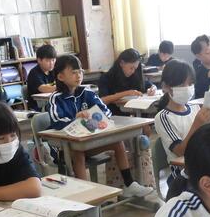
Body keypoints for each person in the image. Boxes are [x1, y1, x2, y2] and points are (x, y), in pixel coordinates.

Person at [48, 54, 153, 197]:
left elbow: (105, 111)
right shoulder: (56, 98)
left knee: (117, 142)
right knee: (78, 152)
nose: (78, 75)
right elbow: (57, 122)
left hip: (87, 142)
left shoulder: (86, 92)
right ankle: (86, 195)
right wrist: (75, 118)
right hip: (65, 149)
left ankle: (129, 184)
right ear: (60, 77)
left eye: (80, 71)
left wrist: (94, 116)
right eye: (73, 72)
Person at [152, 60, 210, 198]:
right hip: (183, 175)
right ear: (166, 87)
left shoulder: (195, 108)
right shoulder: (163, 117)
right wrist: (197, 124)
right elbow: (180, 151)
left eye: (190, 84)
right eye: (181, 85)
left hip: (204, 164)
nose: (187, 88)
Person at [97, 48, 156, 115]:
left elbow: (150, 85)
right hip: (114, 114)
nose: (133, 71)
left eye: (135, 69)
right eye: (131, 68)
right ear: (122, 63)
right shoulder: (106, 77)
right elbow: (102, 100)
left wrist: (153, 88)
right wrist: (127, 93)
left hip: (133, 113)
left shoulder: (134, 75)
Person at [26, 44, 57, 108]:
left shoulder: (54, 70)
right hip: (38, 106)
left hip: (51, 103)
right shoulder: (34, 73)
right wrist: (63, 87)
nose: (51, 63)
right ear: (39, 60)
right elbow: (43, 88)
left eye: (53, 60)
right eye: (48, 60)